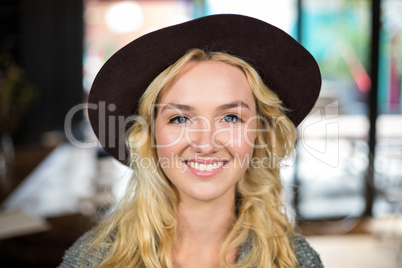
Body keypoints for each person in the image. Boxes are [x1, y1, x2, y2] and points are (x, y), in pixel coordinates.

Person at [60, 14, 323, 267]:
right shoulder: (92, 260)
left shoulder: (296, 260)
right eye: (180, 119)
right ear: (150, 134)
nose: (205, 144)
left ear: (259, 133)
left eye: (230, 118)